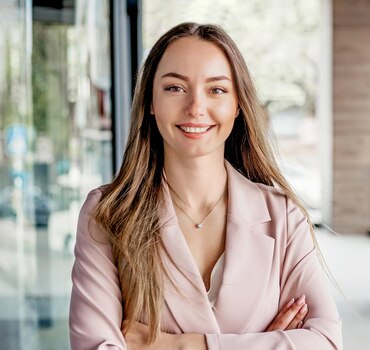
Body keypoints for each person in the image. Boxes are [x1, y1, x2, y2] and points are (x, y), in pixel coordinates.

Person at [69, 22, 342, 350]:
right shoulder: (107, 213)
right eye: (175, 88)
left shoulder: (283, 215)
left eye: (216, 89)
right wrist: (267, 343)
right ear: (150, 102)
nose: (196, 107)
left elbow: (326, 342)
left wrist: (181, 345)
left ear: (238, 105)